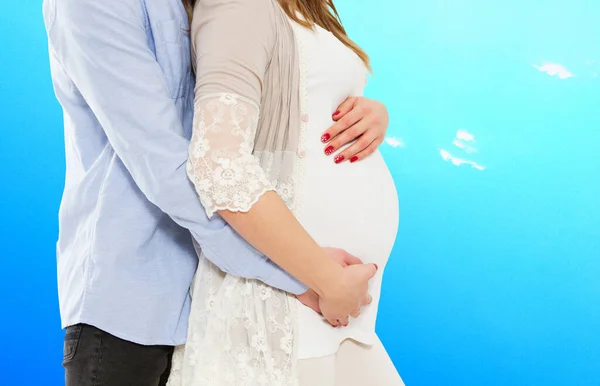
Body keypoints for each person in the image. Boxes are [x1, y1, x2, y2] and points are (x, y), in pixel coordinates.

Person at [41, 0, 394, 384]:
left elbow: (263, 105)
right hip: (134, 305)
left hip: (219, 292)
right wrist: (307, 275)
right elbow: (172, 166)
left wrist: (359, 112)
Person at [165, 0, 404, 385]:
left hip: (327, 307)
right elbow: (218, 161)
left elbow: (304, 106)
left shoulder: (306, 7)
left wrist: (372, 114)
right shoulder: (238, 5)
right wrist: (326, 279)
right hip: (287, 298)